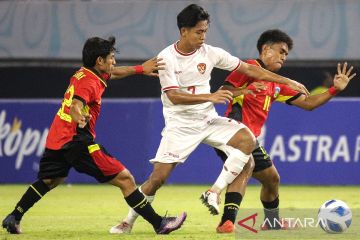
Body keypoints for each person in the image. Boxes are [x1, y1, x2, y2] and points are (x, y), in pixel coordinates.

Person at [109, 4, 310, 234]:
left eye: (205, 31)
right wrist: (211, 96)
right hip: (180, 126)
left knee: (247, 140)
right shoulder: (166, 58)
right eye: (198, 32)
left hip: (208, 120)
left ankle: (213, 192)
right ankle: (128, 221)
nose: (203, 37)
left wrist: (287, 81)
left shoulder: (211, 52)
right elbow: (174, 97)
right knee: (157, 179)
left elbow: (251, 70)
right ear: (183, 31)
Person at [1, 36, 187, 235]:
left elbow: (114, 73)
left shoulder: (85, 73)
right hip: (76, 140)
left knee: (50, 180)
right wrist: (79, 117)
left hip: (58, 138)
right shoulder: (89, 83)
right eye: (111, 57)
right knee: (125, 179)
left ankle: (14, 216)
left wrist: (140, 69)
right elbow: (75, 105)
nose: (114, 61)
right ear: (100, 61)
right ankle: (160, 223)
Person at [212, 29, 356, 233]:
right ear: (265, 49)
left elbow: (308, 103)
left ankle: (271, 222)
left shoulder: (275, 84)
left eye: (286, 54)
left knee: (272, 179)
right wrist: (245, 91)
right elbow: (223, 92)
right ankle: (227, 222)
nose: (283, 57)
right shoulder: (248, 68)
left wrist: (335, 89)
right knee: (245, 165)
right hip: (232, 133)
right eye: (281, 51)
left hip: (250, 139)